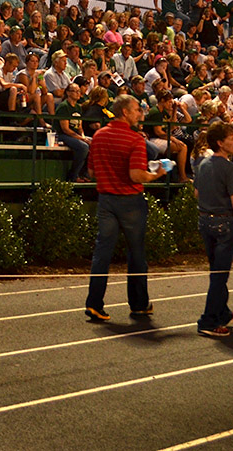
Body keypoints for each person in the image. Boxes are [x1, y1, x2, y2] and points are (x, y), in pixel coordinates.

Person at [84, 94, 164, 323]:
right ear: (125, 112)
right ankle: (138, 304)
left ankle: (94, 303)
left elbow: (91, 173)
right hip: (130, 201)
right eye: (137, 109)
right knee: (136, 254)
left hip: (106, 200)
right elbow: (136, 175)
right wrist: (156, 174)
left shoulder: (98, 136)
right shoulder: (135, 139)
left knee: (102, 253)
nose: (140, 113)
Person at [193, 123, 233, 337]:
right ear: (220, 142)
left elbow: (197, 193)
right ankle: (208, 320)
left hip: (204, 221)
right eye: (232, 137)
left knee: (216, 271)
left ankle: (222, 311)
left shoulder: (202, 164)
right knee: (219, 276)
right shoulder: (229, 168)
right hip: (223, 223)